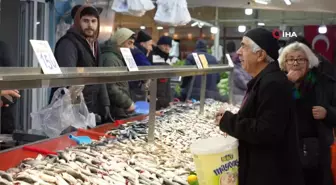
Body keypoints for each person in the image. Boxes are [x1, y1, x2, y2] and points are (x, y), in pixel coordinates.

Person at [215, 28, 304, 185]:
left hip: (271, 175)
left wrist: (228, 121)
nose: (238, 52)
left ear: (260, 55)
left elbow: (266, 131)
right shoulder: (265, 80)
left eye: (244, 46)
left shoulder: (273, 83)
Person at [279, 42, 336, 185]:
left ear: (309, 62)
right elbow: (270, 110)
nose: (295, 63)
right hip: (286, 150)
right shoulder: (277, 84)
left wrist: (327, 113)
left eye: (300, 59)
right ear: (284, 63)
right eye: (290, 59)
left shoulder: (325, 83)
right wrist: (287, 84)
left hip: (318, 152)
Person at [52, 5, 111, 123]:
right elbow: (68, 80)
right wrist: (79, 111)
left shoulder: (95, 44)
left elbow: (100, 75)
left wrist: (105, 104)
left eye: (94, 21)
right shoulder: (68, 43)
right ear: (77, 22)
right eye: (85, 21)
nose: (90, 25)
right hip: (72, 111)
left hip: (91, 108)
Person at [101, 28, 135, 119]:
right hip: (113, 110)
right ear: (120, 41)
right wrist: (127, 103)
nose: (132, 47)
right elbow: (110, 86)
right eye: (129, 43)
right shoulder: (110, 59)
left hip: (118, 108)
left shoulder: (117, 57)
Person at [151, 36, 173, 110]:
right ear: (159, 45)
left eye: (169, 46)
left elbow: (167, 83)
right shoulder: (153, 57)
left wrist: (170, 99)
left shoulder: (166, 58)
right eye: (165, 45)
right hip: (156, 99)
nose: (167, 48)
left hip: (164, 99)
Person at [130, 31, 152, 101]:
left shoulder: (136, 52)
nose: (151, 48)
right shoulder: (138, 54)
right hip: (133, 90)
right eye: (149, 45)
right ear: (142, 44)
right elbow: (149, 70)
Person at [226, 41, 252, 105]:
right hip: (238, 99)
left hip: (241, 98)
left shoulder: (242, 69)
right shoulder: (236, 70)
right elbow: (245, 84)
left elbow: (247, 83)